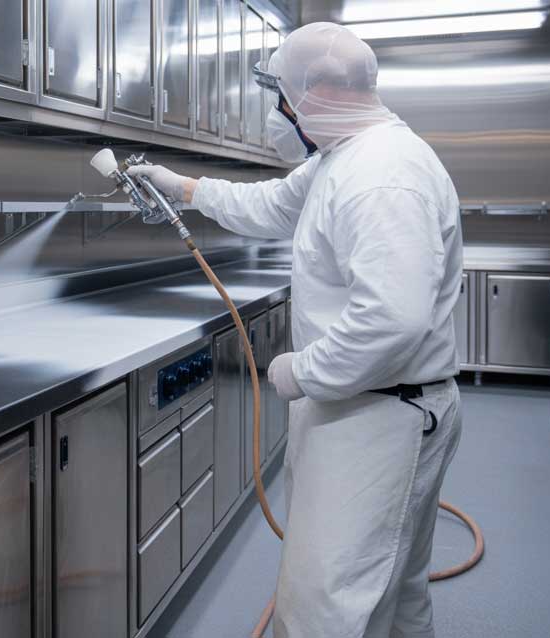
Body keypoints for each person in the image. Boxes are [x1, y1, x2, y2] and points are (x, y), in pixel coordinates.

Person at [129, 22, 464, 638]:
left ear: (316, 95)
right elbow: (270, 206)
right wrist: (183, 187)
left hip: (379, 416)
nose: (278, 115)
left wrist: (299, 370)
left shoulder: (382, 175)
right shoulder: (345, 157)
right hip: (370, 405)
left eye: (281, 99)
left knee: (324, 606)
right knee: (392, 591)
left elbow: (394, 317)